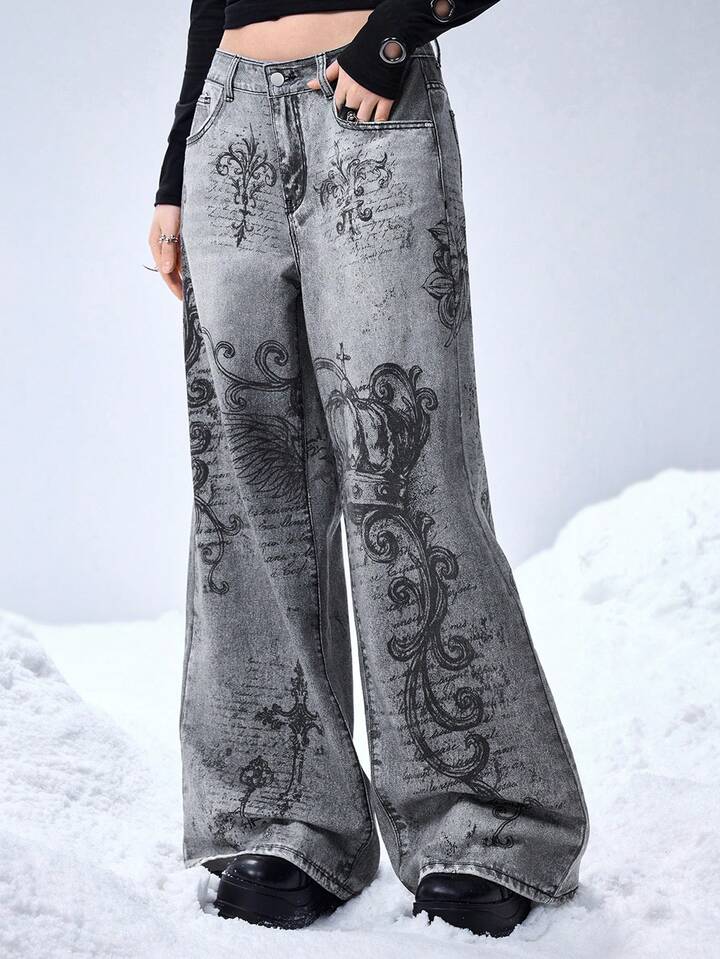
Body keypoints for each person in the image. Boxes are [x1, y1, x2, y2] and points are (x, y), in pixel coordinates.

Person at [148, 0, 589, 938]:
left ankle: (488, 822)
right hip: (227, 116)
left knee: (405, 458)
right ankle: (282, 815)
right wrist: (174, 167)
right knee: (245, 482)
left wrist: (393, 35)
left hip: (368, 103)